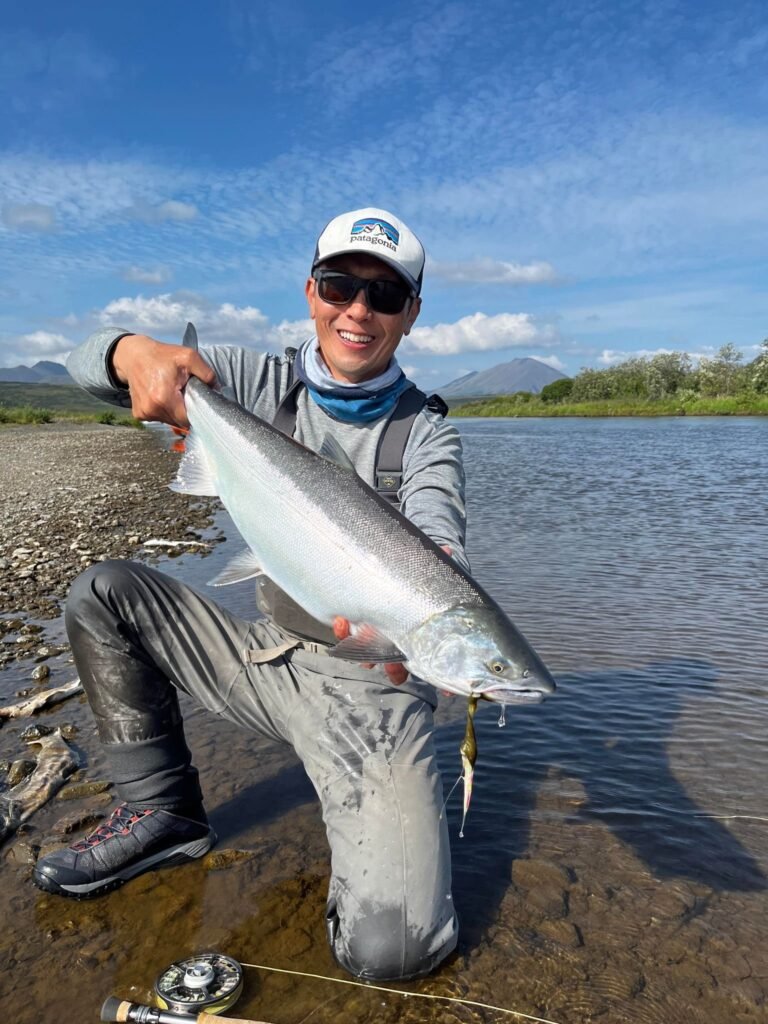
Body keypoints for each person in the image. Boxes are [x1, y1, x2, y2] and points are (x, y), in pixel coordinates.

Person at [34, 208, 468, 982]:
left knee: (399, 952)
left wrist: (428, 607)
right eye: (341, 285)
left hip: (372, 687)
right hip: (265, 658)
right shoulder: (245, 379)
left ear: (412, 316)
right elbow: (83, 365)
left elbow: (440, 543)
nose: (358, 311)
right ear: (311, 292)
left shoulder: (427, 435)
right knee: (105, 594)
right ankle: (161, 811)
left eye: (385, 295)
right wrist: (133, 352)